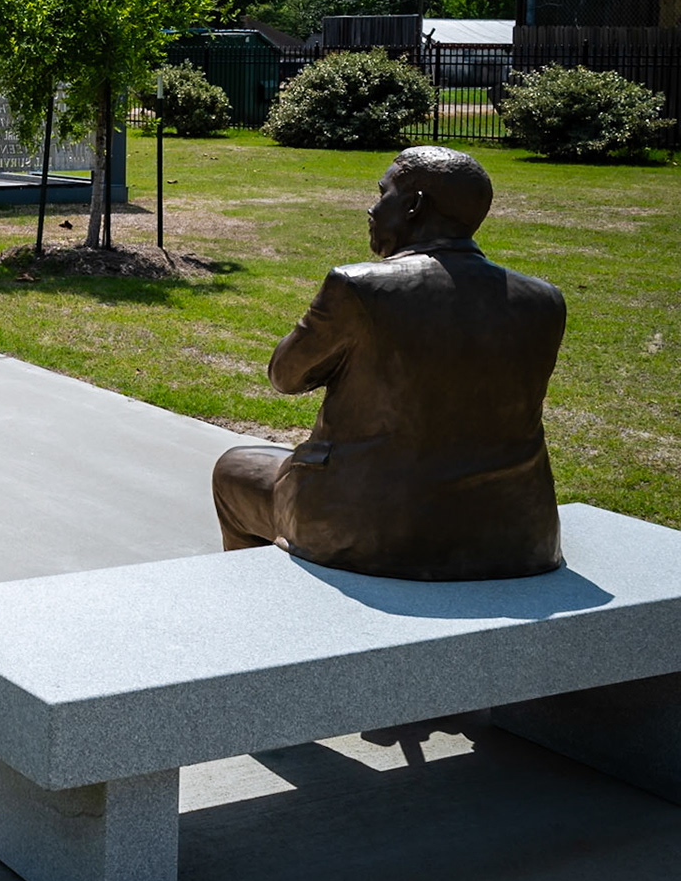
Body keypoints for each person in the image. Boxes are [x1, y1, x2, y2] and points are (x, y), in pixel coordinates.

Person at [212, 145, 566, 581]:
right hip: (519, 532)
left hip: (371, 529)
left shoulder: (359, 288)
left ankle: (252, 610)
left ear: (414, 206)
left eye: (383, 194)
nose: (372, 208)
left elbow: (285, 376)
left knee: (234, 470)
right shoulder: (544, 300)